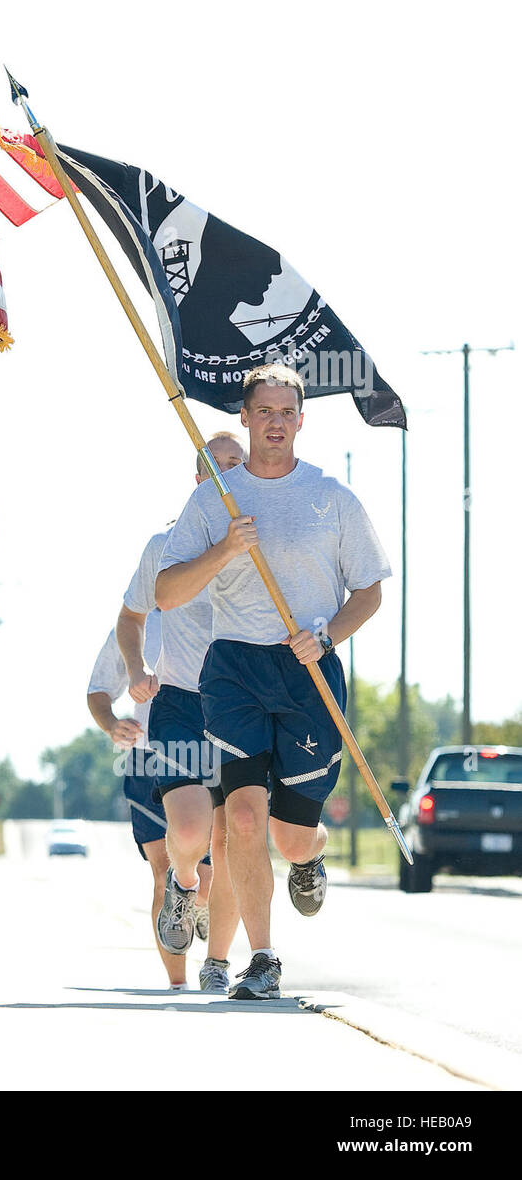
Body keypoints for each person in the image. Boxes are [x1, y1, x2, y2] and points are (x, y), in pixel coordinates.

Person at [156, 364, 390, 1000]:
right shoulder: (216, 499)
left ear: (301, 421)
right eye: (265, 412)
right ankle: (262, 959)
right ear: (246, 418)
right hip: (234, 667)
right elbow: (167, 592)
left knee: (288, 834)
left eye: (288, 412)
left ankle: (311, 853)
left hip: (309, 666)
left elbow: (369, 590)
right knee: (243, 814)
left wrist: (329, 635)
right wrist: (224, 551)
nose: (276, 423)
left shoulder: (332, 497)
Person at [117, 432, 247, 993]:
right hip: (180, 701)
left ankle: (216, 963)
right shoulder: (165, 545)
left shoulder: (266, 542)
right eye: (214, 468)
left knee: (233, 839)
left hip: (245, 700)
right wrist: (134, 670)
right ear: (197, 480)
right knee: (191, 831)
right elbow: (130, 618)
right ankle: (183, 886)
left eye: (235, 466)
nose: (225, 476)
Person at [87, 620, 212, 990]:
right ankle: (179, 984)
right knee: (164, 871)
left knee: (205, 883)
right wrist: (111, 724)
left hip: (206, 753)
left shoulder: (220, 606)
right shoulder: (135, 624)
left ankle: (200, 908)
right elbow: (97, 691)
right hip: (145, 759)